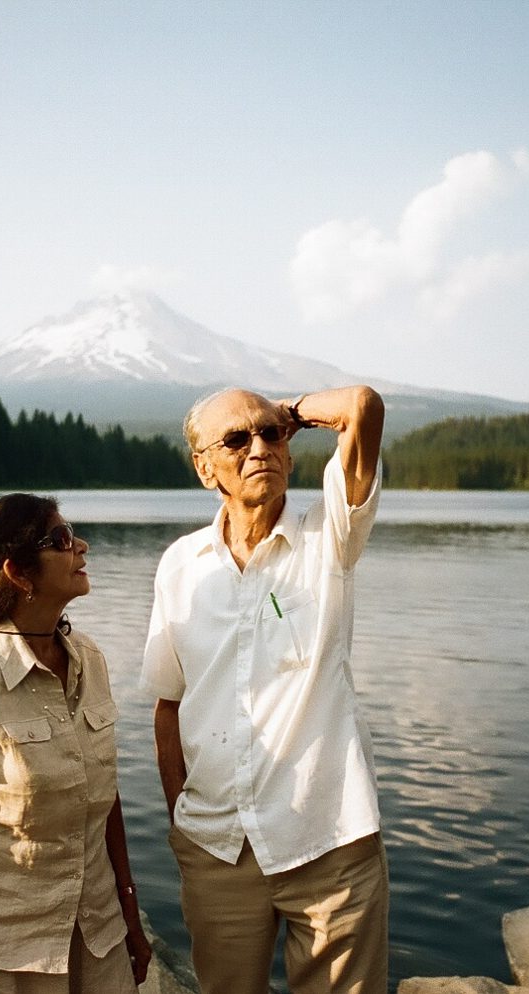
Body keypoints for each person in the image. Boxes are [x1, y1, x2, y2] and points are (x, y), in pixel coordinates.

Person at [141, 386, 387, 994]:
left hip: (328, 839)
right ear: (205, 469)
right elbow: (169, 704)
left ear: (290, 450)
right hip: (216, 846)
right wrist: (181, 819)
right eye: (235, 440)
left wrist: (290, 412)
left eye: (270, 436)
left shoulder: (329, 539)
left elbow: (361, 407)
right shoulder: (181, 566)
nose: (259, 449)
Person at [0, 493, 152, 994]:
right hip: (3, 951)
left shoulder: (89, 659)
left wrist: (129, 910)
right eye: (60, 539)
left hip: (96, 937)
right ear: (18, 572)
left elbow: (103, 797)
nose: (80, 546)